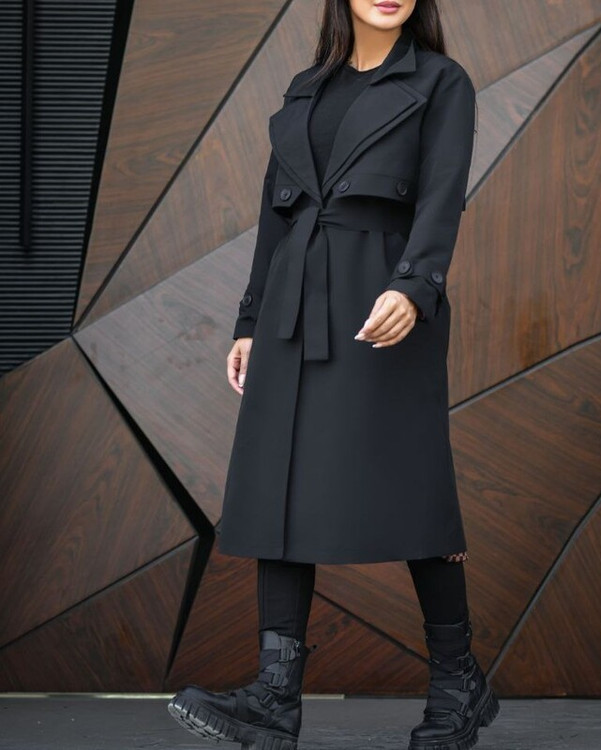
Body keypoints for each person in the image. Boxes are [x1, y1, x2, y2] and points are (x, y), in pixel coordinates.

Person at [168, 1, 499, 749]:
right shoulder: (305, 90)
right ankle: (273, 700)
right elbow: (276, 216)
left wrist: (414, 286)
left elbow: (444, 193)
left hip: (381, 300)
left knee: (411, 482)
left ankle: (458, 684)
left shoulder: (441, 81)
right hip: (292, 307)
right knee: (277, 488)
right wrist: (250, 320)